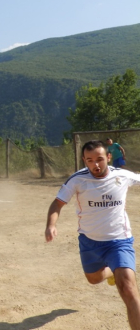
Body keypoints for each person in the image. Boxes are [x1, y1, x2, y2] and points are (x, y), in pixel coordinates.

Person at [45, 140, 140, 329]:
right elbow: (57, 203)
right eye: (89, 160)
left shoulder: (122, 175)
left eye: (100, 159)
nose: (95, 165)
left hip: (119, 241)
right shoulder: (77, 180)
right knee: (93, 279)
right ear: (84, 160)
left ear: (109, 157)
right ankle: (110, 271)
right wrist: (51, 225)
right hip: (90, 242)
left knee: (128, 289)